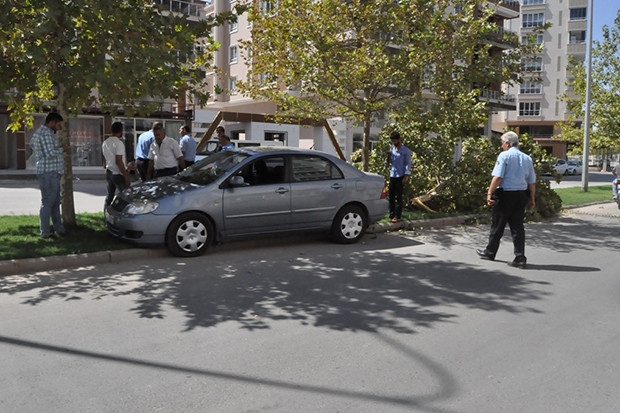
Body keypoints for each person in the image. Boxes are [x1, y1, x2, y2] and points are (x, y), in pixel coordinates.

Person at [476, 131, 536, 269]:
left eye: (502, 143)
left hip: (505, 195)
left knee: (497, 225)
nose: (502, 146)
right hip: (521, 195)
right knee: (517, 227)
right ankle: (520, 257)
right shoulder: (527, 158)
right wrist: (532, 198)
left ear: (508, 143)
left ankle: (490, 252)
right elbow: (531, 181)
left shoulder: (504, 156)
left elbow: (498, 177)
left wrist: (490, 192)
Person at [29, 112, 70, 239]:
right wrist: (63, 149)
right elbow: (50, 153)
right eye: (58, 124)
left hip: (49, 171)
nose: (59, 127)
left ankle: (58, 227)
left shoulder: (40, 133)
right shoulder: (46, 133)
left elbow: (32, 144)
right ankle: (45, 232)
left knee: (55, 201)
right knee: (48, 202)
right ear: (51, 122)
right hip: (49, 172)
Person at [102, 122, 131, 210]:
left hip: (109, 171)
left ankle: (106, 214)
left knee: (109, 196)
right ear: (121, 131)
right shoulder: (119, 143)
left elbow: (104, 158)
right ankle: (122, 214)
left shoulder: (105, 142)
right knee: (125, 196)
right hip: (118, 173)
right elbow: (119, 161)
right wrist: (126, 176)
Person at [386, 131, 412, 223]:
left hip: (400, 176)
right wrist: (388, 157)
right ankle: (391, 215)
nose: (394, 143)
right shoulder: (392, 149)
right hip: (392, 175)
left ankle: (397, 216)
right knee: (391, 196)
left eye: (395, 141)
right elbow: (388, 163)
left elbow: (408, 164)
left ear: (399, 140)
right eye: (392, 141)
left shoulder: (405, 150)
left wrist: (406, 175)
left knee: (399, 197)